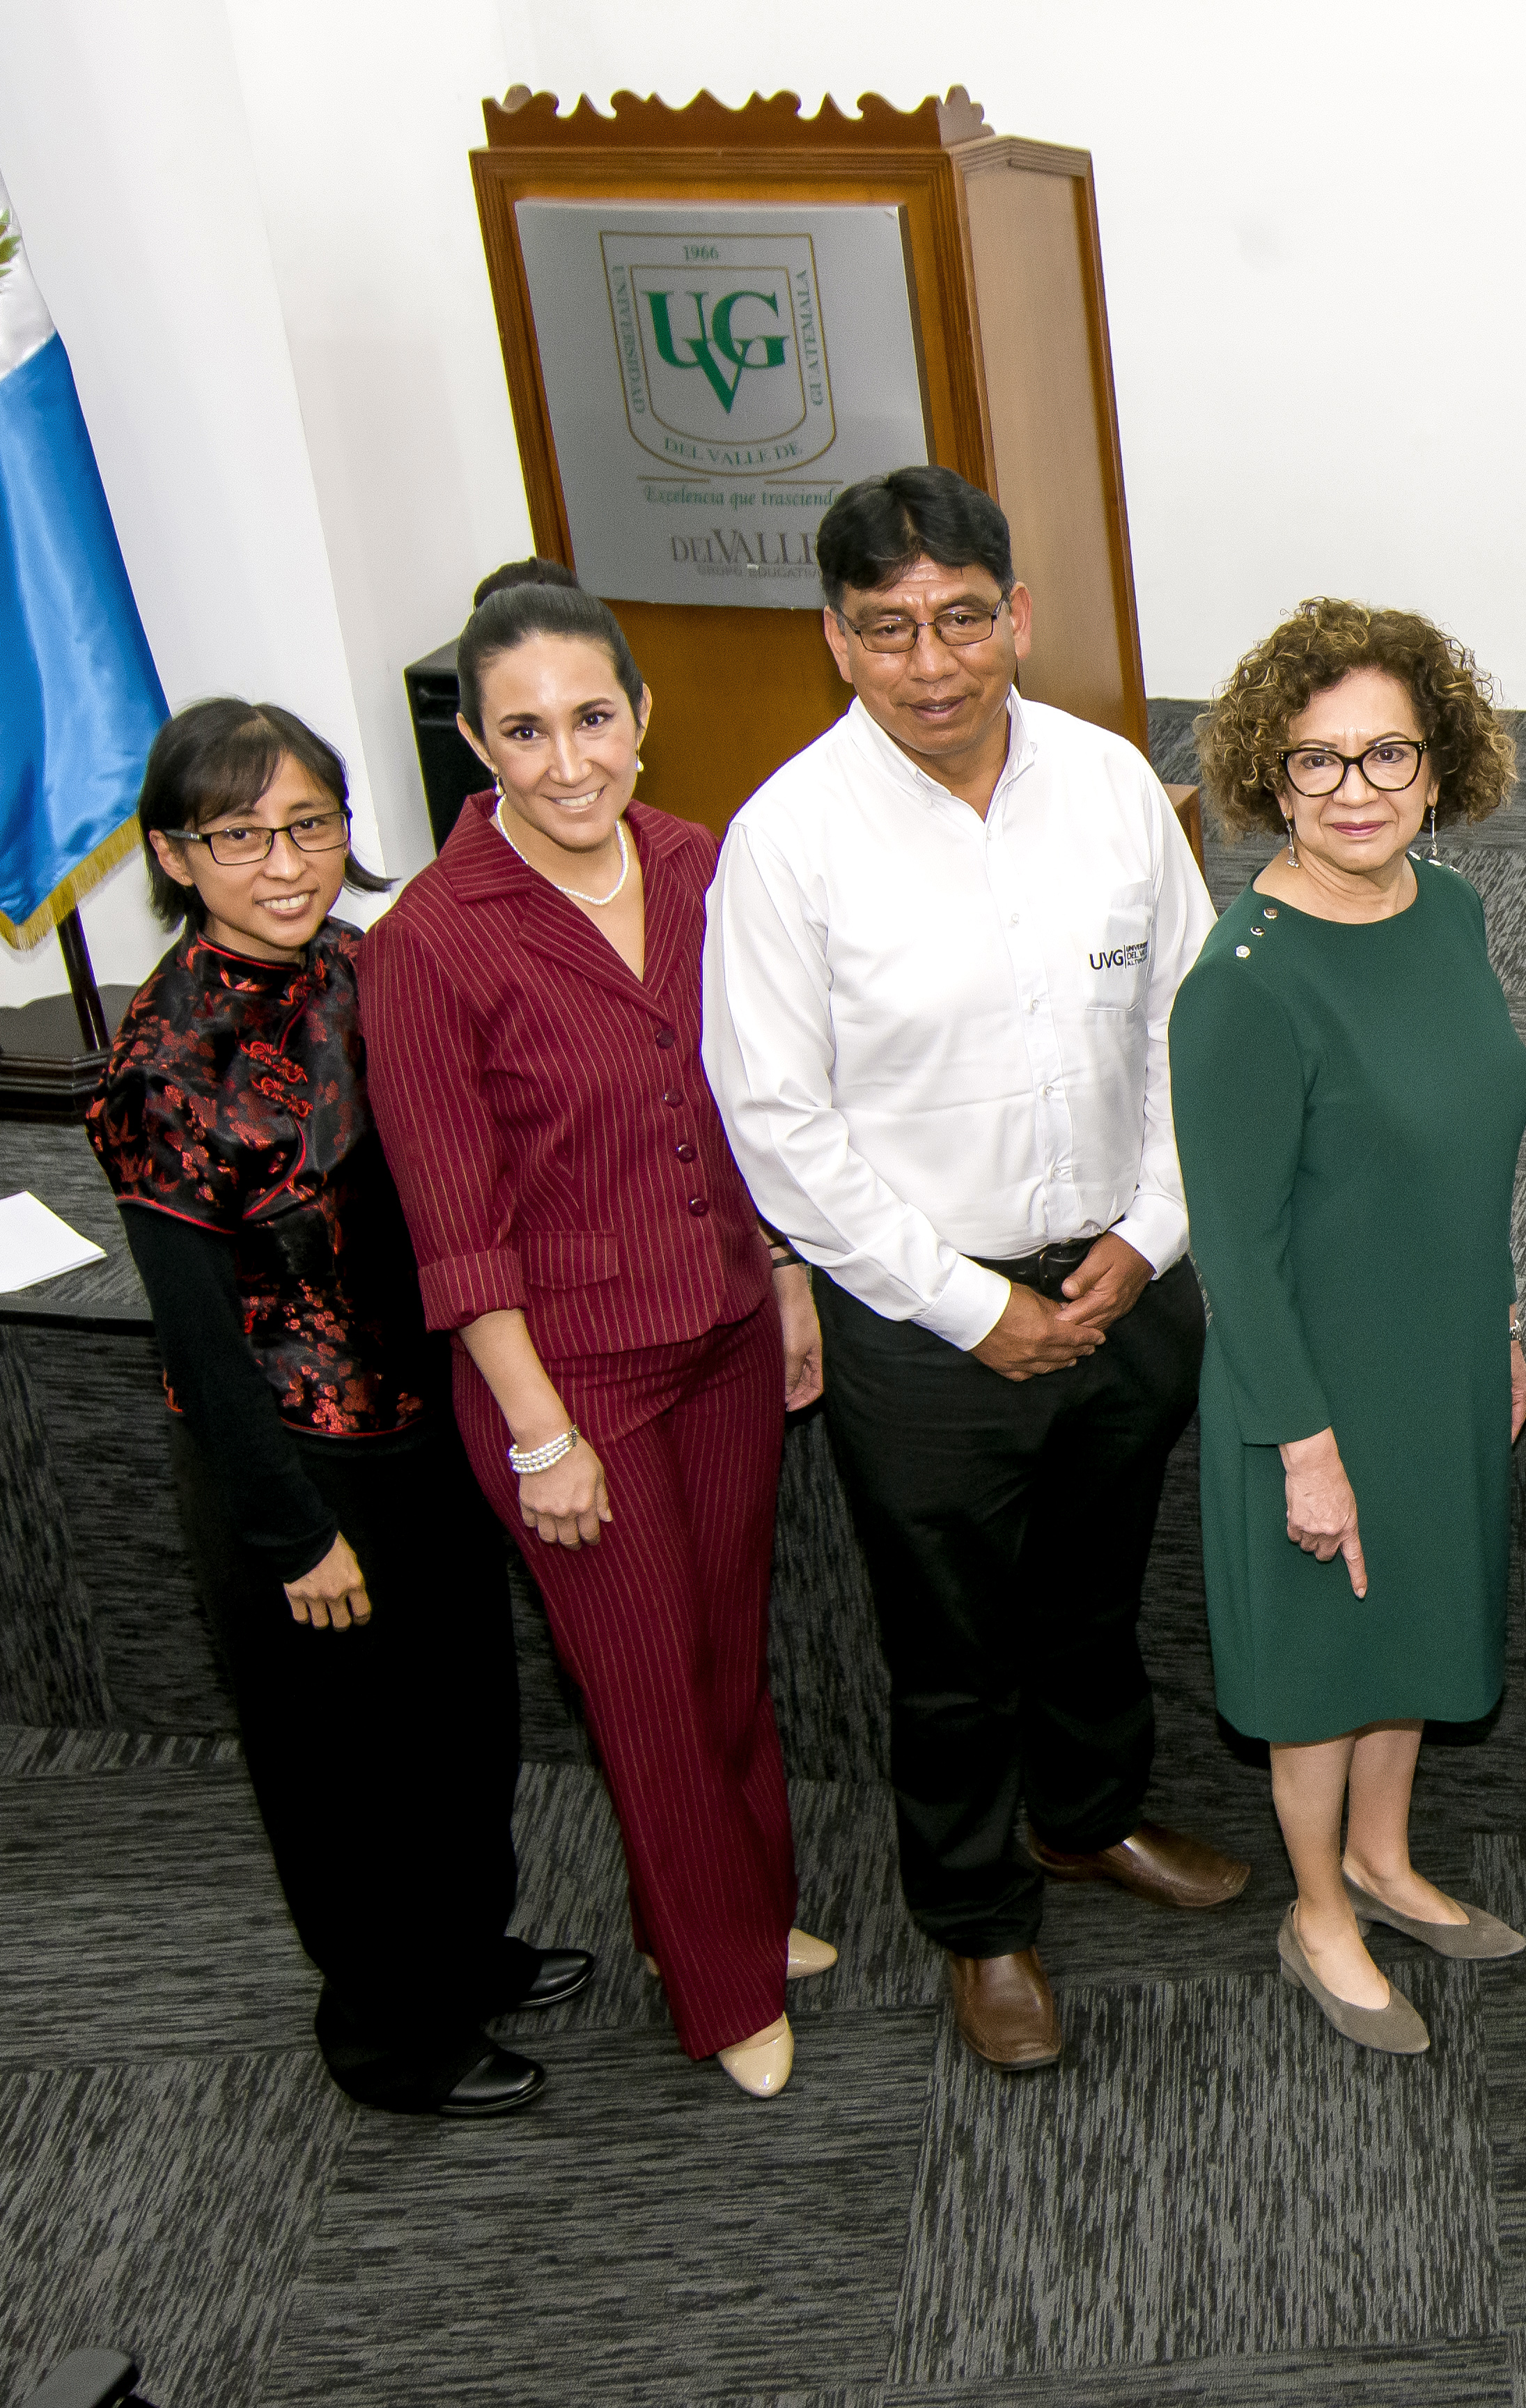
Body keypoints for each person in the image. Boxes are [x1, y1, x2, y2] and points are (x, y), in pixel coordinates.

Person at [705, 466, 1235, 2076]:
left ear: (1017, 615)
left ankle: (1084, 1822)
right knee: (949, 1650)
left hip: (1124, 1282)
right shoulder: (788, 837)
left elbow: (1190, 1030)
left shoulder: (1112, 783)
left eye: (957, 620)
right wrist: (967, 1302)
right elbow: (775, 1120)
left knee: (1091, 1599)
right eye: (886, 631)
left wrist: (1149, 1235)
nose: (929, 663)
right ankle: (980, 1919)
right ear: (835, 641)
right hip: (925, 1319)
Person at [365, 563, 830, 2100]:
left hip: (722, 1325)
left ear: (643, 713)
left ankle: (740, 1910)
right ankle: (719, 1984)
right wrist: (537, 1427)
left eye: (590, 718)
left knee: (723, 1661)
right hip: (569, 1379)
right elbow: (454, 1217)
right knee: (641, 1690)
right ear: (475, 745)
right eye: (522, 731)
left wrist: (786, 1276)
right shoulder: (430, 940)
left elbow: (758, 1106)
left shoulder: (702, 865)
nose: (566, 761)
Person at [90, 697, 589, 2118]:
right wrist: (289, 1530)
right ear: (176, 854)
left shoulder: (364, 967)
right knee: (342, 1777)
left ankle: (465, 1954)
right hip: (298, 1466)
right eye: (238, 834)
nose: (285, 859)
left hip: (427, 1421)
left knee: (461, 1722)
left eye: (309, 823)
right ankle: (391, 2036)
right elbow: (194, 1329)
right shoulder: (164, 1055)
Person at [1172, 598, 1526, 2056]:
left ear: (1438, 768)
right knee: (1323, 1662)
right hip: (1306, 1377)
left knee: (1416, 1623)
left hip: (1437, 1350)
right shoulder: (1242, 986)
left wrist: (1500, 1315)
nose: (1355, 790)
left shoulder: (1447, 911)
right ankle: (1318, 1903)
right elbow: (1236, 1254)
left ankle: (1387, 1859)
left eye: (1386, 753)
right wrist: (1300, 1446)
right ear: (1270, 777)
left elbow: (1466, 1144)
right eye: (1316, 762)